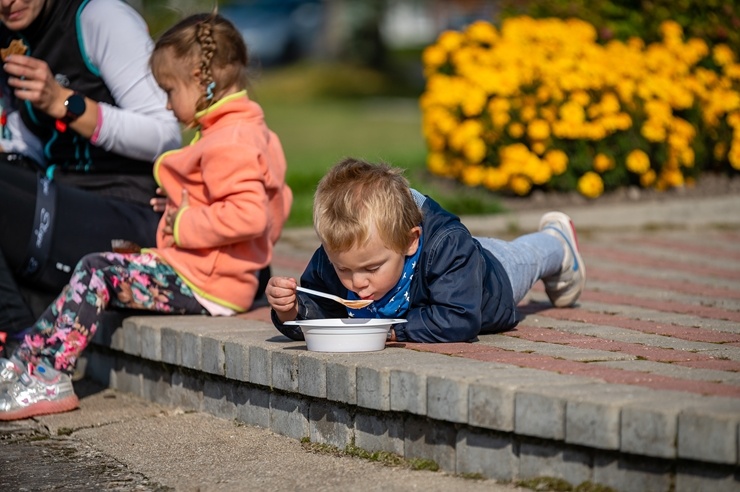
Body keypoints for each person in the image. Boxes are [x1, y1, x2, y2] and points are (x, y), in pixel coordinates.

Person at [0, 12, 292, 420]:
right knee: (101, 267)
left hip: (208, 282)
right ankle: (29, 358)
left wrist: (182, 222)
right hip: (209, 272)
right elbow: (277, 203)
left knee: (98, 271)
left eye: (170, 91)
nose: (168, 106)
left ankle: (46, 372)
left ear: (201, 79)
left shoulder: (232, 138)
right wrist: (187, 205)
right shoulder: (246, 130)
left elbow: (249, 216)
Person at [0, 0, 182, 352]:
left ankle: (28, 356)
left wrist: (63, 102)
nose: (9, 1)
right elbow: (30, 145)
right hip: (61, 203)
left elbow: (164, 134)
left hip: (133, 212)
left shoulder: (100, 17)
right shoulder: (11, 35)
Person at [267, 158, 585, 343]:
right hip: (457, 263)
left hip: (491, 280)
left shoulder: (446, 245)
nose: (356, 282)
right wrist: (292, 311)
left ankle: (557, 240)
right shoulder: (340, 253)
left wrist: (392, 332)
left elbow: (459, 317)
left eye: (372, 269)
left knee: (526, 256)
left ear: (410, 241)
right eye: (345, 270)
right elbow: (321, 309)